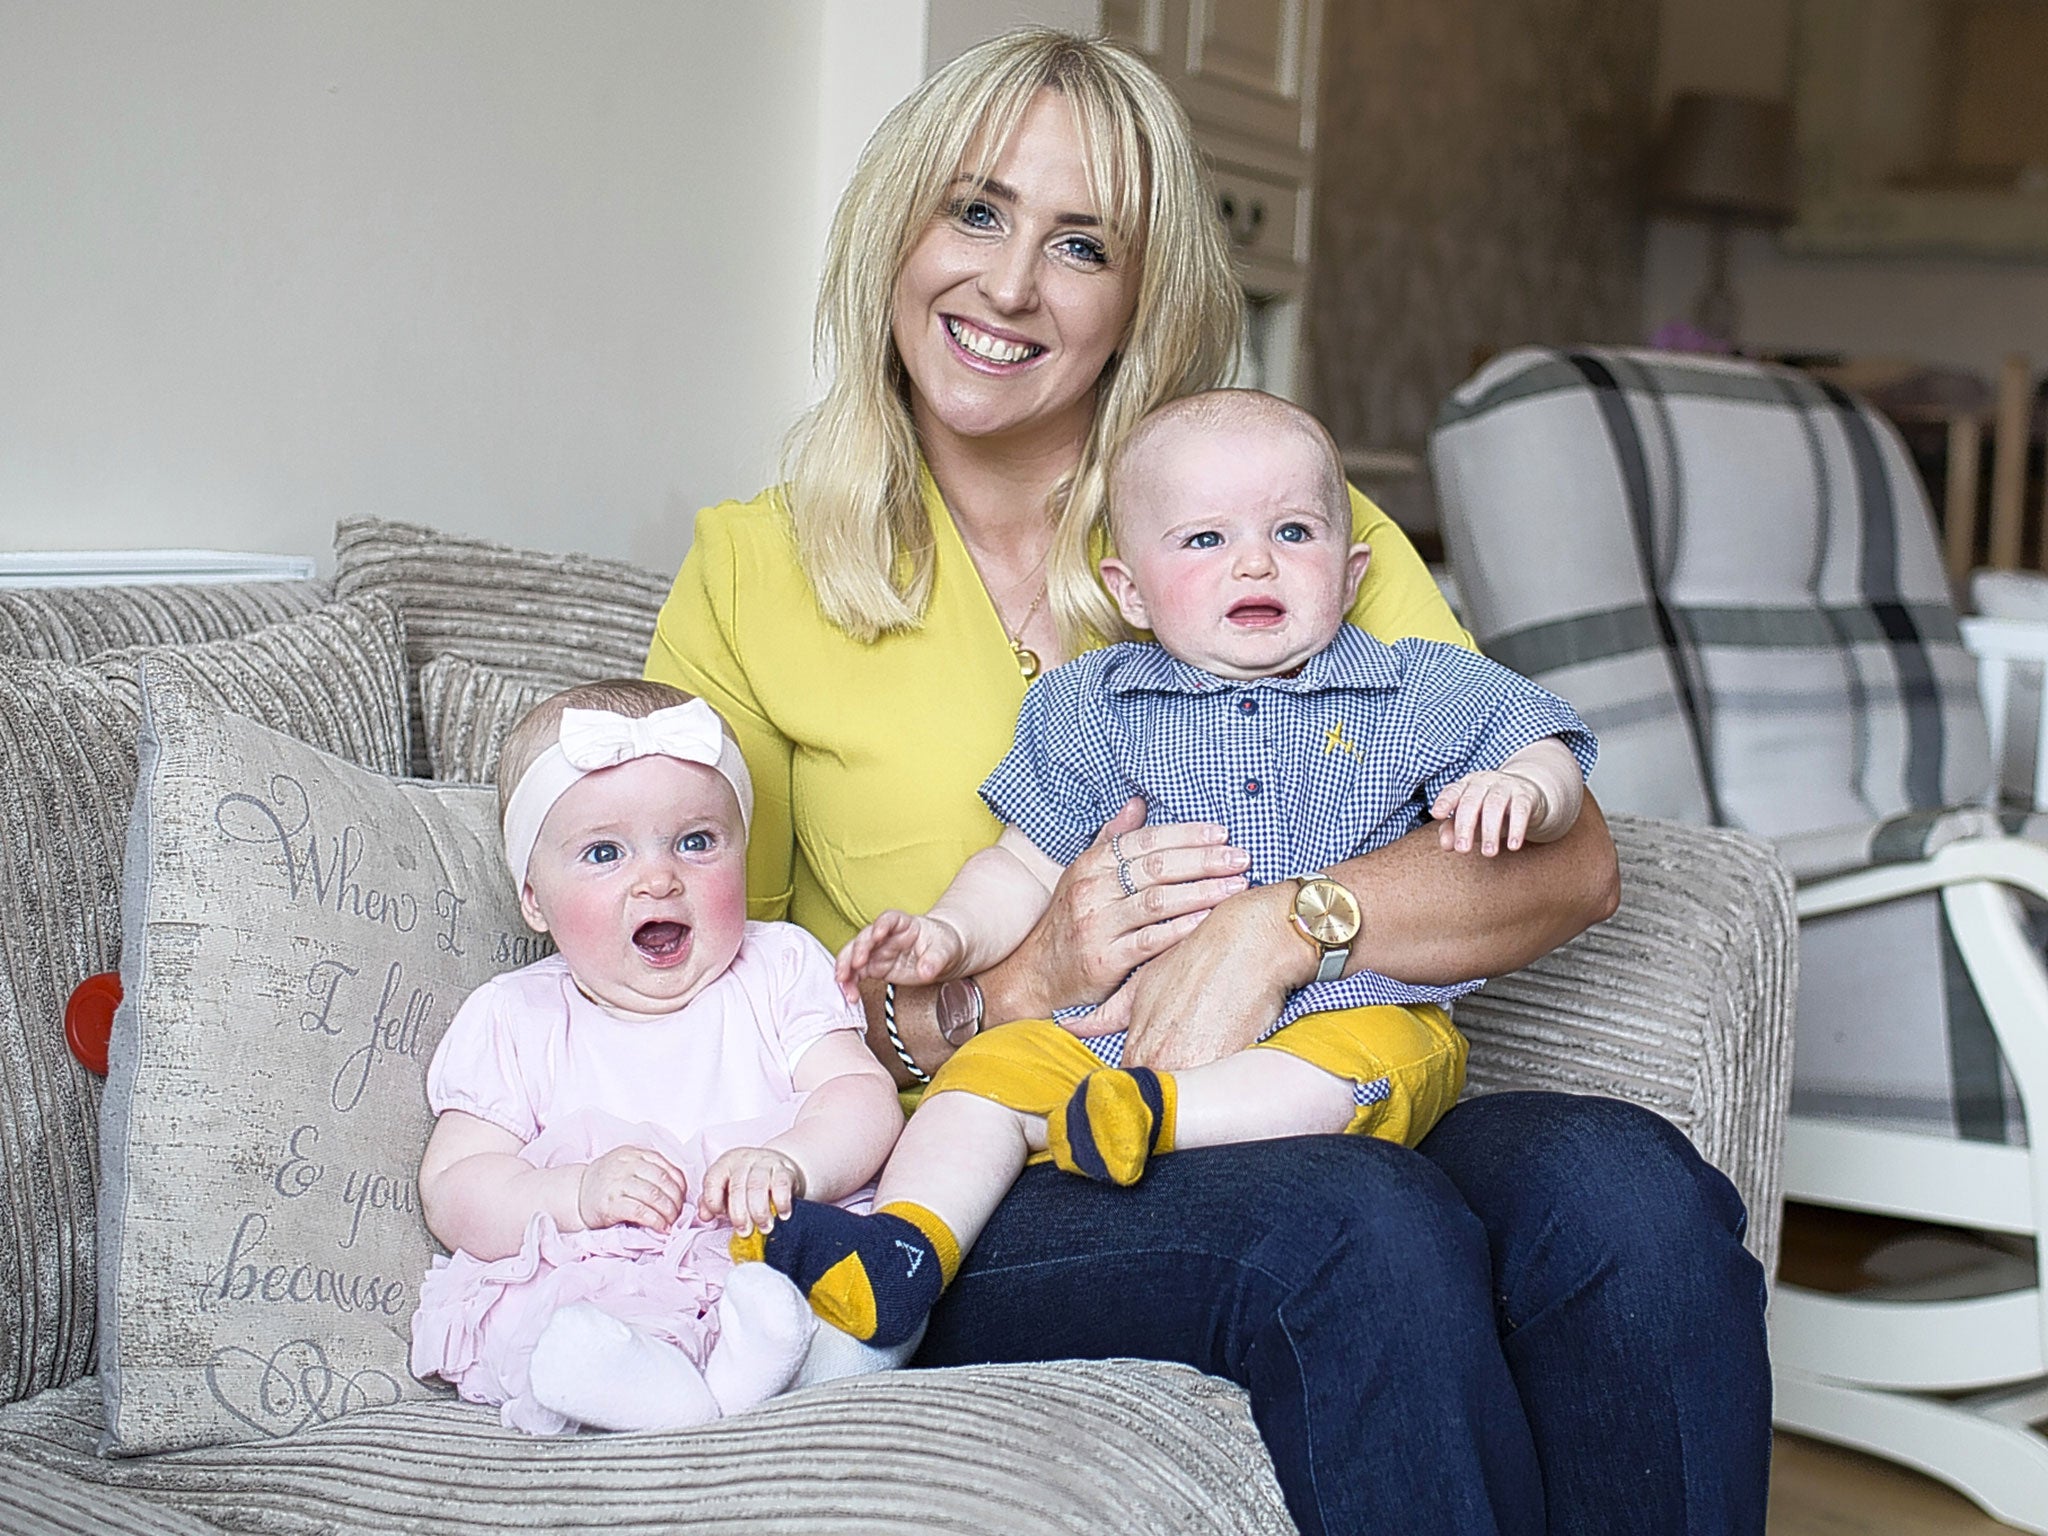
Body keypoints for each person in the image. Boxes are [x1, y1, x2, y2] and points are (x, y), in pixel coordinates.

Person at [647, 28, 1769, 1536]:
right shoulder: (750, 574)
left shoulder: (1276, 516)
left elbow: (1571, 867)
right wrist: (1004, 986)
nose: (1007, 285)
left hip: (1314, 1071)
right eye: (973, 212)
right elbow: (694, 995)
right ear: (895, 229)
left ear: (1138, 298)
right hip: (984, 1156)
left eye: (1080, 244)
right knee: (1355, 1229)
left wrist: (1284, 925)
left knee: (1631, 1193)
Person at [737, 388, 1595, 1348]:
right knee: (985, 1077)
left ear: (1351, 574)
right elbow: (1023, 864)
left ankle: (1161, 1117)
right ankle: (904, 1247)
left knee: (1350, 1074)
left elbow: (1546, 741)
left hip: (1339, 1026)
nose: (1256, 560)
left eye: (1294, 532)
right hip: (1117, 1042)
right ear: (1129, 592)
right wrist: (948, 935)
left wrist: (1525, 789)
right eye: (1203, 542)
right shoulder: (1099, 709)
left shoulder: (1411, 688)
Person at [409, 679, 907, 1435]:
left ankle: (763, 1366)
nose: (658, 877)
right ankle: (655, 1384)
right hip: (607, 1282)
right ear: (534, 900)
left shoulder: (778, 970)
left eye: (697, 842)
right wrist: (573, 1196)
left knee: (863, 1295)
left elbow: (860, 1094)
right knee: (557, 1326)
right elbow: (453, 1185)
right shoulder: (513, 1018)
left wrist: (793, 1161)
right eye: (604, 852)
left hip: (759, 1256)